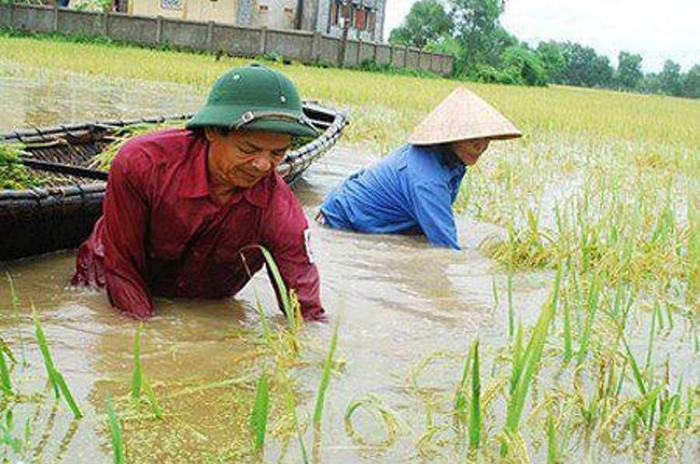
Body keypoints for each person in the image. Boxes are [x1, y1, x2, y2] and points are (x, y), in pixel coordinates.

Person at [72, 64, 325, 321]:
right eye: (249, 149)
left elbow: (306, 309)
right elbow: (122, 269)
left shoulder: (280, 210)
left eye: (277, 153)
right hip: (104, 285)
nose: (263, 165)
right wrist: (145, 341)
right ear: (212, 131)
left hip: (200, 302)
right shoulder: (143, 164)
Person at [318, 87, 522, 250]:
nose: (482, 146)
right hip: (341, 222)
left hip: (356, 210)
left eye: (487, 137)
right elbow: (446, 250)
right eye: (473, 138)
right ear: (452, 136)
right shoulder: (427, 179)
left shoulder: (452, 161)